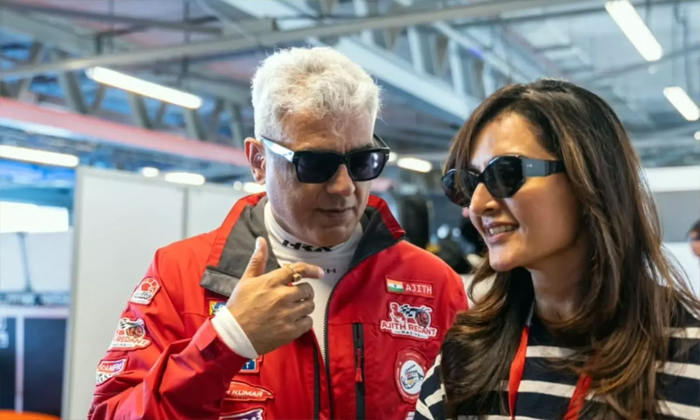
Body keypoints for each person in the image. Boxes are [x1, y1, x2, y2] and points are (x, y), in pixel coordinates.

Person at [88, 47, 467, 420]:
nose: (343, 187)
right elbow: (111, 414)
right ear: (258, 161)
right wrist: (226, 341)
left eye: (362, 161)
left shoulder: (433, 285)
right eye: (315, 164)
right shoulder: (179, 276)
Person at [416, 79, 700, 420]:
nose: (477, 204)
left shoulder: (687, 353)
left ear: (589, 178)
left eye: (506, 173)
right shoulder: (465, 354)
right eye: (468, 182)